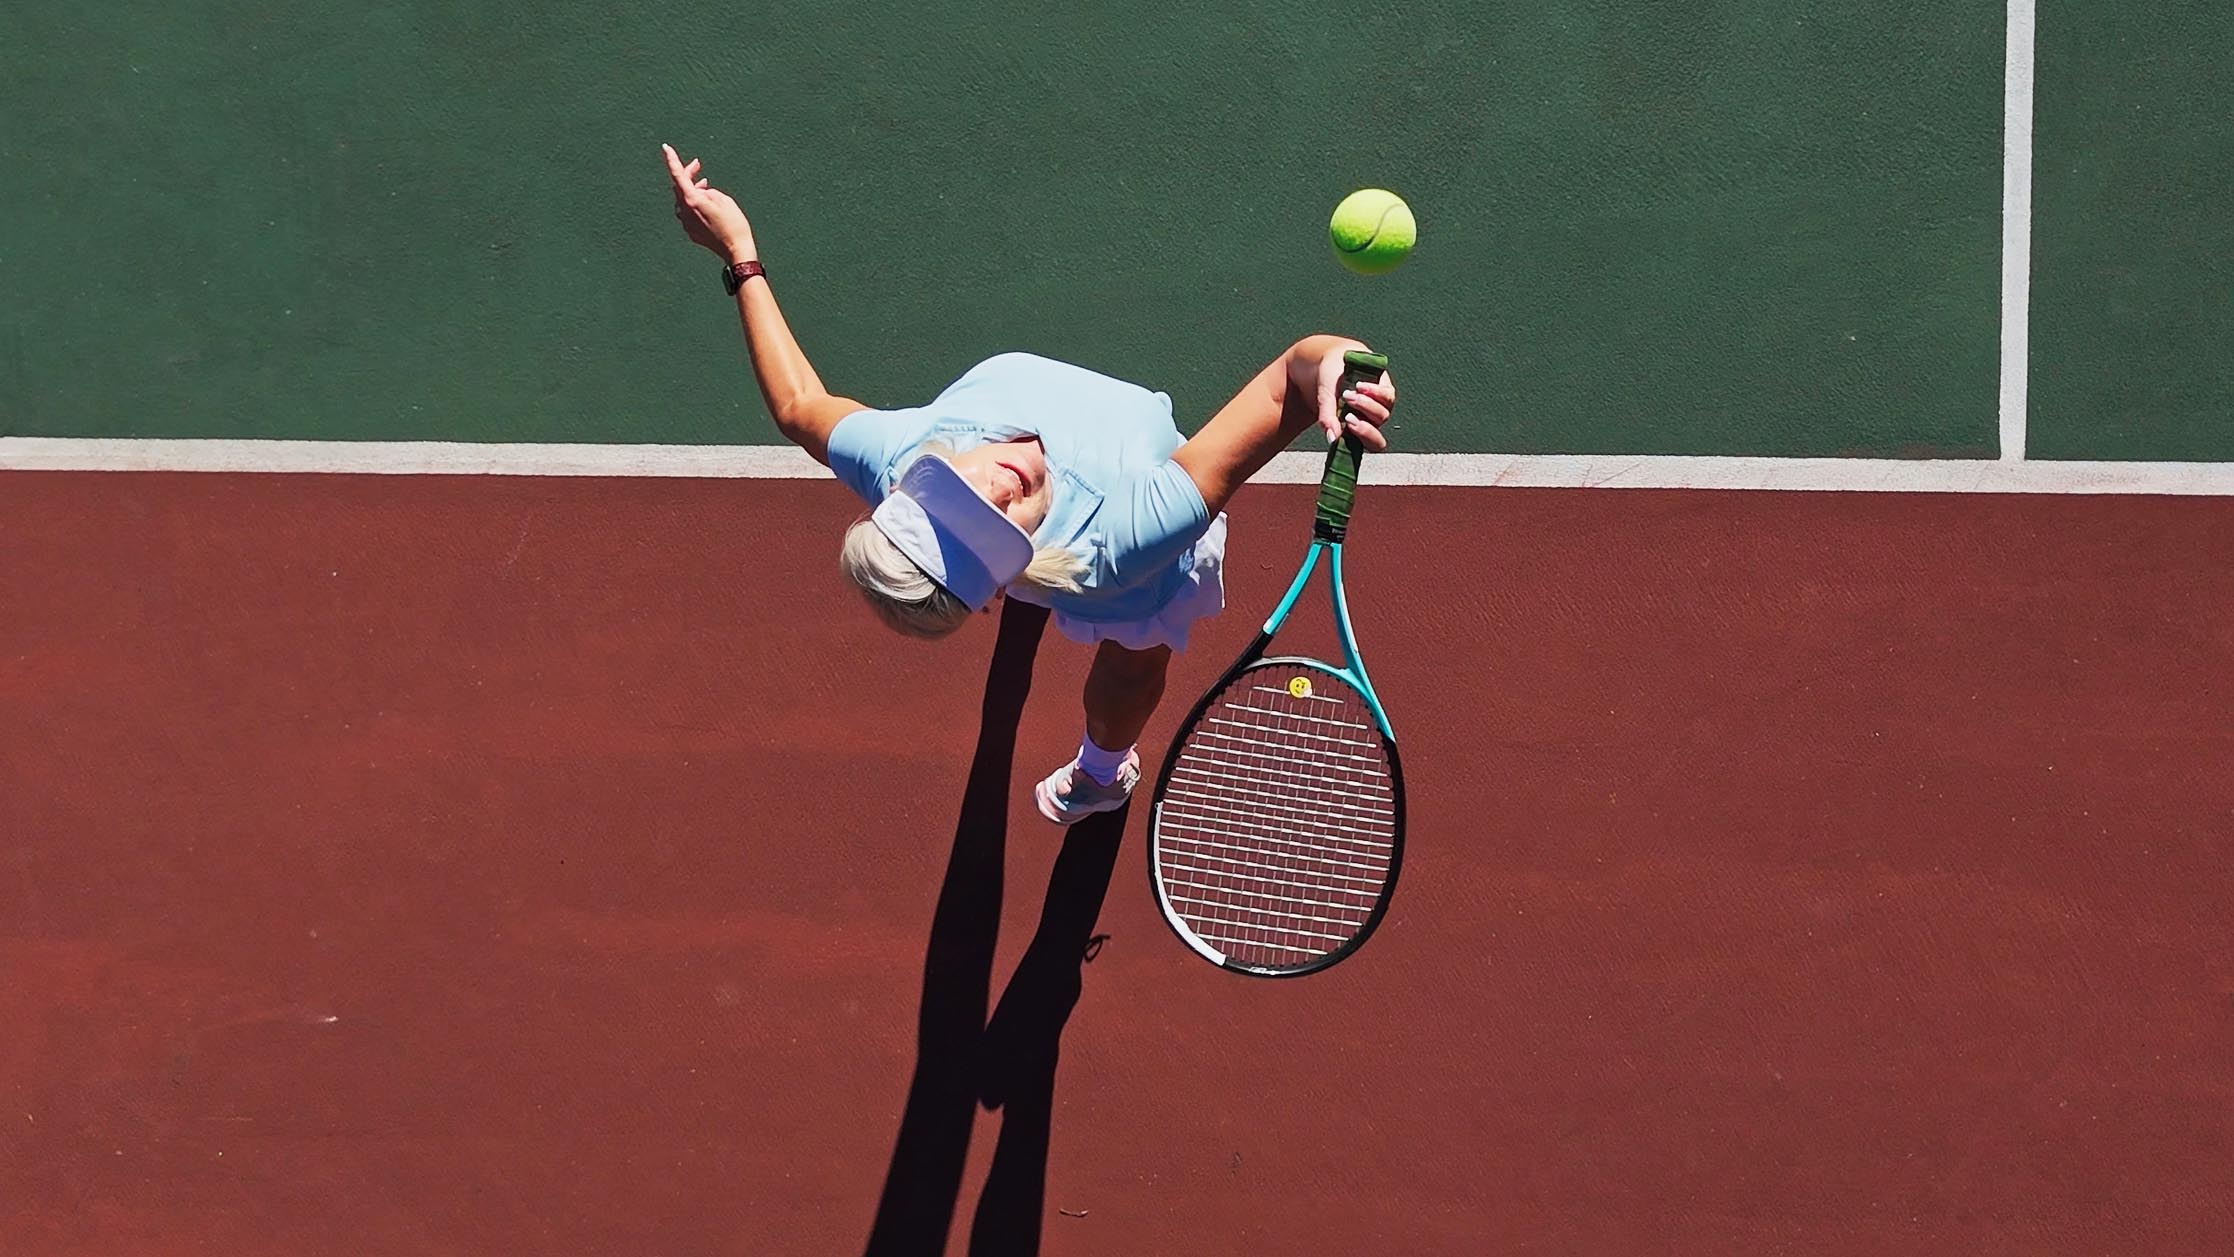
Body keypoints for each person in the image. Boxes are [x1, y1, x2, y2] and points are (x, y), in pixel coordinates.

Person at [662, 144, 1397, 824]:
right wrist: (1336, 361)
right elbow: (1289, 382)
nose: (998, 490)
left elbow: (798, 408)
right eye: (991, 533)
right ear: (1002, 571)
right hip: (1128, 570)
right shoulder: (1125, 541)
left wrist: (739, 255)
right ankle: (1101, 774)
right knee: (1133, 661)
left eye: (957, 499)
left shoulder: (899, 458)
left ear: (918, 486)